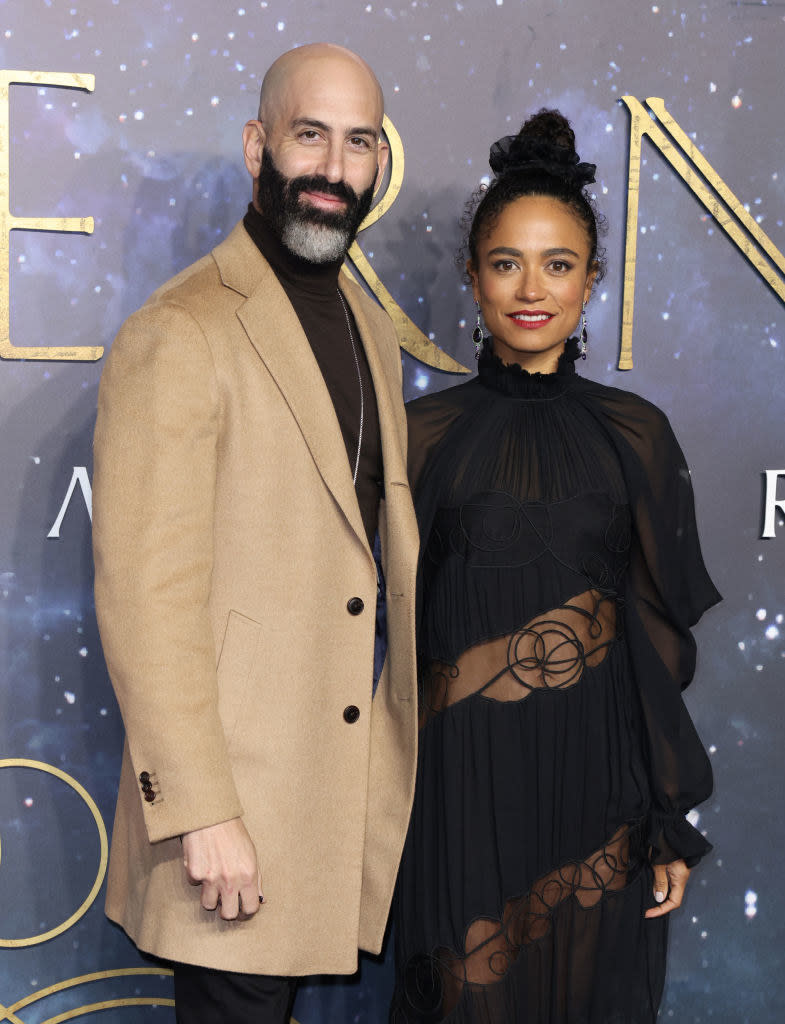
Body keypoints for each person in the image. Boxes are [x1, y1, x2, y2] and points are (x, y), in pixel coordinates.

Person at [92, 43, 419, 1024]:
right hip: (230, 805)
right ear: (257, 145)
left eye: (356, 141)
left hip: (330, 787)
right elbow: (144, 592)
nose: (331, 166)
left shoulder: (365, 323)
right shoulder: (180, 328)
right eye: (308, 134)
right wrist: (199, 809)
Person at [390, 109, 720, 1023]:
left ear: (591, 281)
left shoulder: (635, 436)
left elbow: (656, 646)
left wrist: (663, 817)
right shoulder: (419, 440)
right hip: (455, 800)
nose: (530, 288)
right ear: (473, 278)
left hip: (596, 805)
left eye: (558, 263)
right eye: (505, 262)